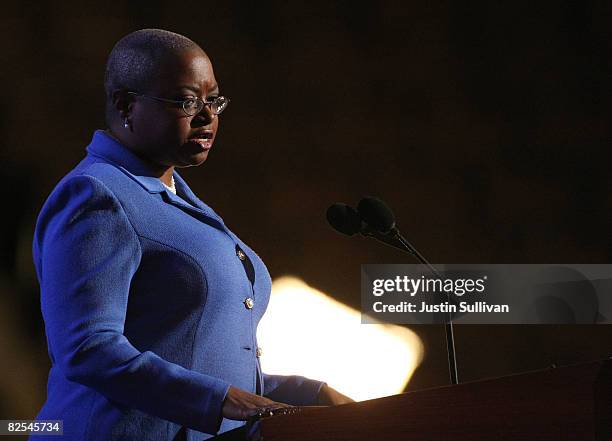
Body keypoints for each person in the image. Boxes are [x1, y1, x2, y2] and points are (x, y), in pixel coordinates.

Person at [30, 29, 352, 441]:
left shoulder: (177, 196)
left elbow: (201, 360)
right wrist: (221, 400)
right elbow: (87, 348)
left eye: (213, 100)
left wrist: (310, 393)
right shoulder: (96, 195)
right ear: (126, 105)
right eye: (186, 101)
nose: (207, 116)